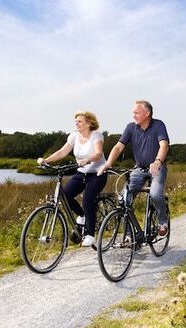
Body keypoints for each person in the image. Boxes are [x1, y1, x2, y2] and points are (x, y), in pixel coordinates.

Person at [99, 100, 169, 236]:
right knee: (124, 199)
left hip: (157, 168)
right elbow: (119, 147)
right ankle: (130, 235)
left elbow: (164, 145)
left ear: (147, 113)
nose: (134, 116)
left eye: (136, 113)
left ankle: (162, 221)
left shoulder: (158, 125)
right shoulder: (131, 127)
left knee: (155, 194)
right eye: (133, 113)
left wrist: (158, 161)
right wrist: (108, 164)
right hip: (139, 169)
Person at [37, 111, 107, 248]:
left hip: (97, 173)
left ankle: (91, 235)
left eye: (80, 121)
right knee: (65, 195)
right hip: (81, 173)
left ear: (89, 123)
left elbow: (98, 153)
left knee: (87, 199)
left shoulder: (96, 135)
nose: (76, 123)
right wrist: (46, 160)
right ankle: (82, 215)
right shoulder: (74, 136)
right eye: (76, 121)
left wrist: (87, 159)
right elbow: (62, 152)